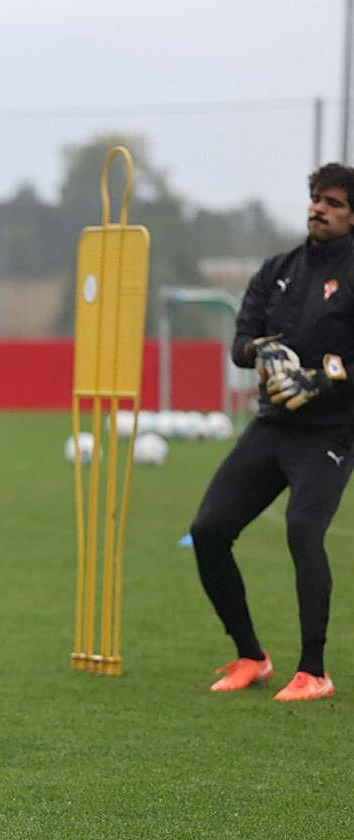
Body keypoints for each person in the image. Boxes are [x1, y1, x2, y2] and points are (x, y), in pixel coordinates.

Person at [190, 161, 354, 702]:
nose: (319, 209)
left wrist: (320, 380)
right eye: (316, 199)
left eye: (333, 202)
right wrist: (259, 350)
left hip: (329, 431)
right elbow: (242, 340)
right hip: (272, 426)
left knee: (303, 532)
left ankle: (314, 673)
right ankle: (251, 656)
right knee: (210, 531)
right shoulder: (279, 269)